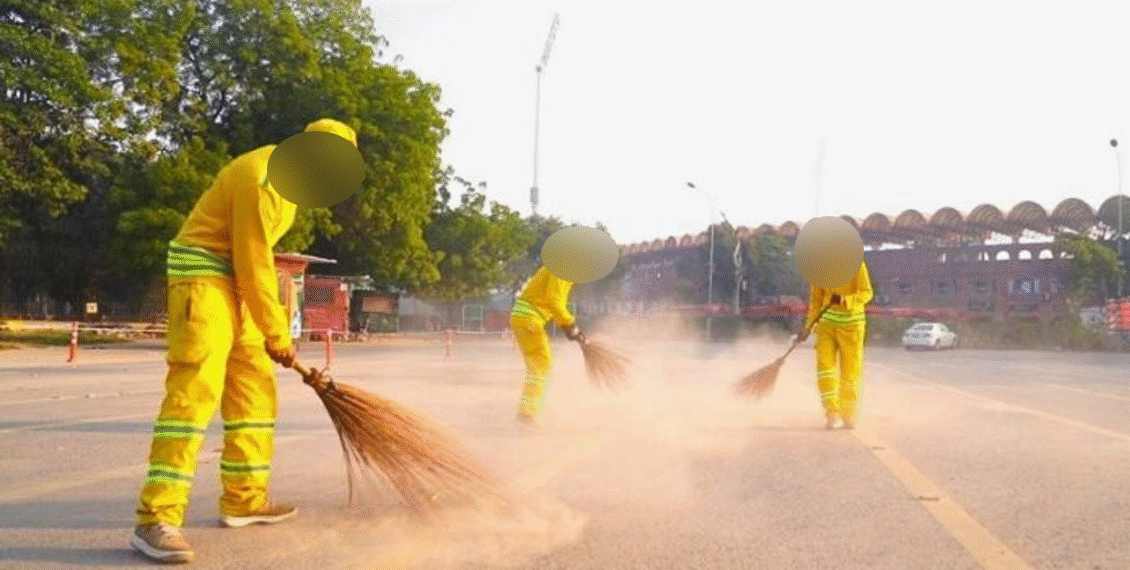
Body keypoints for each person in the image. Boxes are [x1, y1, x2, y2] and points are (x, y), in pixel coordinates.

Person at [130, 119, 359, 564]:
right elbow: (253, 261)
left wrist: (271, 329)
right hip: (203, 274)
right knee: (194, 394)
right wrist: (277, 332)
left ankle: (244, 500)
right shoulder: (262, 178)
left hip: (234, 277)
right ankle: (156, 517)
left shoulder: (290, 185)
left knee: (254, 391)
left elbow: (255, 263)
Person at [797, 261, 873, 430]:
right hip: (826, 327)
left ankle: (849, 414)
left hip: (851, 327)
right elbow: (816, 303)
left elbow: (867, 292)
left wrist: (847, 299)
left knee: (850, 372)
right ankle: (832, 412)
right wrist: (808, 327)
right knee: (824, 369)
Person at [511, 265, 581, 427]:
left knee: (538, 367)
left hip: (526, 318)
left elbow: (555, 302)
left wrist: (567, 325)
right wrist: (569, 323)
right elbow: (553, 301)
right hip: (529, 318)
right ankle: (526, 415)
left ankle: (526, 412)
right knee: (541, 365)